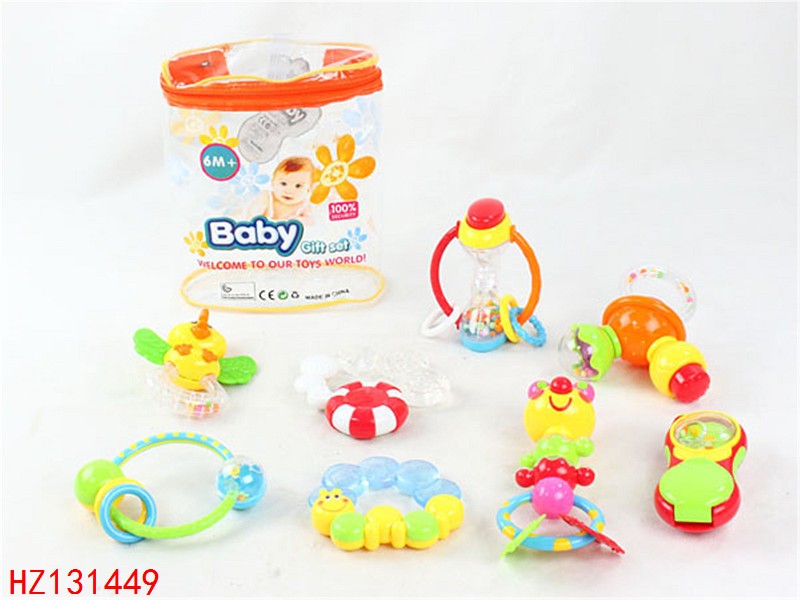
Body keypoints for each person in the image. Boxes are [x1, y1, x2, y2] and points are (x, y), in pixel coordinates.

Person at [262, 156, 314, 222]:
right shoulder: (267, 198)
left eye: (298, 186)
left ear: (309, 190)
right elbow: (251, 216)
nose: (289, 191)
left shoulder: (303, 206)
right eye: (283, 183)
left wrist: (299, 220)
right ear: (273, 183)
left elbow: (310, 222)